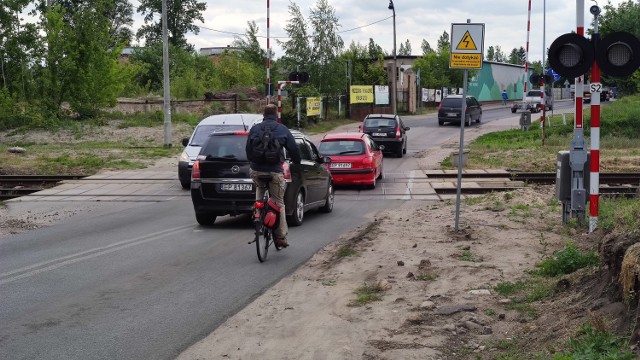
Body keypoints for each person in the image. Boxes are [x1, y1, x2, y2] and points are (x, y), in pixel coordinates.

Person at [246, 104, 301, 248]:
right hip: (275, 172)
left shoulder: (255, 129)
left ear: (263, 115)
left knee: (259, 194)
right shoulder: (282, 129)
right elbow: (293, 149)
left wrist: (253, 162)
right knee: (278, 202)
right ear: (276, 115)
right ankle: (281, 236)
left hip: (256, 171)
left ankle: (257, 217)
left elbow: (248, 149)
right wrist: (297, 162)